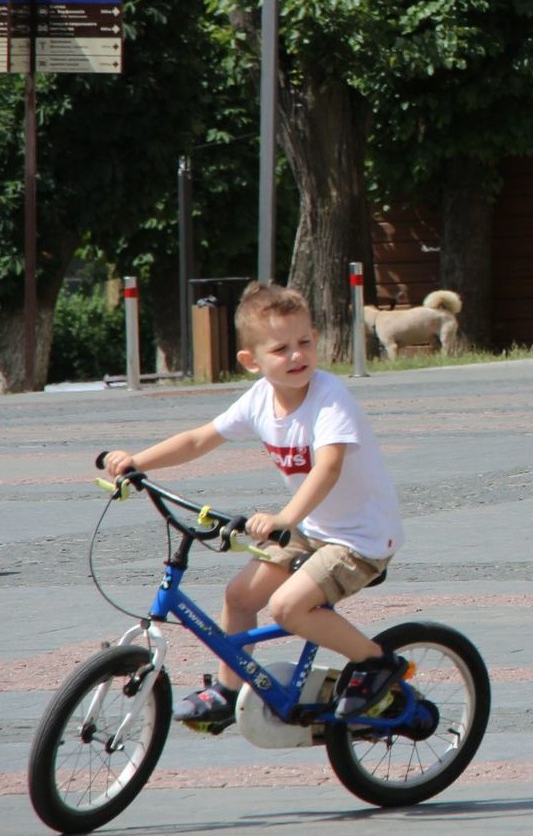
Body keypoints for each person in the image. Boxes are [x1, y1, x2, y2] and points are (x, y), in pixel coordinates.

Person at [101, 282, 407, 729]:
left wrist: (285, 518)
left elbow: (329, 469)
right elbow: (198, 439)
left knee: (287, 608)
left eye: (305, 342)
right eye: (281, 348)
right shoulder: (261, 398)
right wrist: (135, 461)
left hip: (361, 538)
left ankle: (376, 663)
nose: (297, 355)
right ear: (252, 361)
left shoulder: (329, 398)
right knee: (239, 597)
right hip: (314, 528)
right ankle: (227, 690)